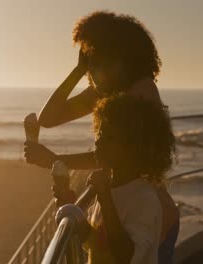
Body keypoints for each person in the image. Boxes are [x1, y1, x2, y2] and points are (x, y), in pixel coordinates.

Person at [23, 11, 179, 263]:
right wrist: (77, 70)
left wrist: (55, 159)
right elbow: (48, 118)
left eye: (106, 63)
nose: (97, 73)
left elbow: (123, 156)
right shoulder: (101, 92)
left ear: (128, 59)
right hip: (116, 208)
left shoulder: (141, 92)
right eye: (93, 63)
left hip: (150, 219)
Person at [78, 95, 175, 263]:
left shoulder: (144, 199)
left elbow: (126, 257)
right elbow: (96, 242)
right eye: (100, 134)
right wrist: (72, 209)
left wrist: (105, 197)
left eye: (110, 138)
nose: (99, 142)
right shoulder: (109, 187)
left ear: (135, 148)